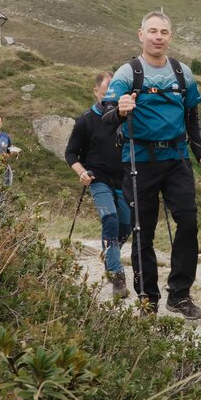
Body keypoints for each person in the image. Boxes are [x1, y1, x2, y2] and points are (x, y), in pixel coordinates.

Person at [102, 11, 201, 319]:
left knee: (188, 223)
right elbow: (107, 114)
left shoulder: (182, 73)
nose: (158, 37)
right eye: (152, 31)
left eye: (164, 32)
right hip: (139, 161)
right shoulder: (128, 73)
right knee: (143, 231)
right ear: (141, 34)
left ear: (170, 37)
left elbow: (192, 118)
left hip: (177, 159)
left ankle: (179, 295)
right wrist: (121, 110)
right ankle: (147, 300)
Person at [65, 72, 132, 298]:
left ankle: (110, 253)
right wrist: (82, 172)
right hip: (98, 178)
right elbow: (71, 153)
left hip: (123, 179)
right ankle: (117, 275)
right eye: (105, 94)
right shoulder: (85, 120)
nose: (109, 99)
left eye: (114, 94)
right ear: (96, 92)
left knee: (127, 226)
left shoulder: (126, 117)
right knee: (110, 219)